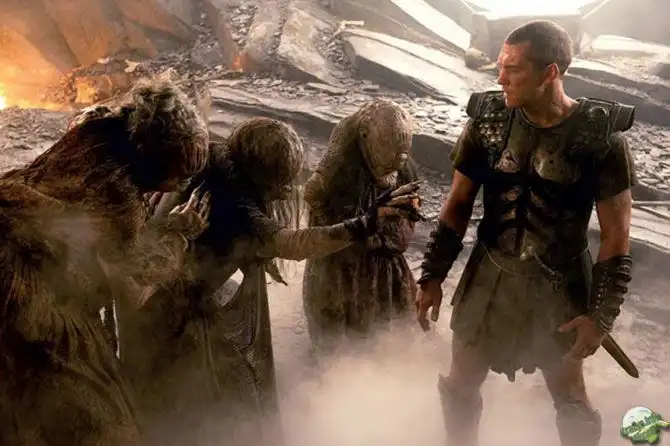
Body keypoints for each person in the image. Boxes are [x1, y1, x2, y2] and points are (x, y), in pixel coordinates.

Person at [119, 117, 422, 446]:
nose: (285, 192)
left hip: (157, 301)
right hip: (170, 316)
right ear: (259, 174)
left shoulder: (209, 159)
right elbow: (294, 244)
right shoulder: (237, 205)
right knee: (189, 411)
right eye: (279, 182)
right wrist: (366, 222)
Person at [414, 20, 636, 446]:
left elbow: (616, 234)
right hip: (489, 273)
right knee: (460, 384)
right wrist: (432, 275)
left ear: (550, 72)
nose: (500, 78)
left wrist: (600, 316)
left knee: (570, 397)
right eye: (500, 66)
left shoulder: (601, 138)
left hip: (559, 284)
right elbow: (458, 203)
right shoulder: (487, 121)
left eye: (513, 68)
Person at [0, 78, 211, 446]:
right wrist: (177, 234)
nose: (182, 184)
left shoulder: (98, 128)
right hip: (33, 302)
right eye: (180, 174)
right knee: (97, 424)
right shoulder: (122, 200)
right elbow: (133, 286)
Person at [302, 99, 421, 354]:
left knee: (393, 327)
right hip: (341, 258)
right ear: (365, 137)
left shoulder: (400, 160)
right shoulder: (338, 165)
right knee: (336, 339)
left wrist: (390, 231)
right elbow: (312, 195)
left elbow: (411, 208)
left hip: (382, 254)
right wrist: (344, 233)